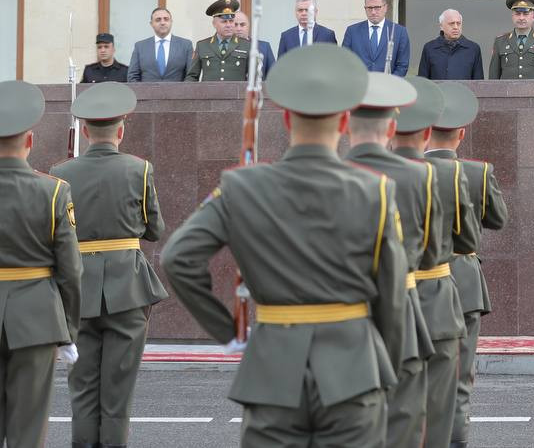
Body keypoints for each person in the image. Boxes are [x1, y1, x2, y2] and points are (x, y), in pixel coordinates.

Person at [162, 44, 407, 445]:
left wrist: (229, 334)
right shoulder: (375, 191)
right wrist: (383, 368)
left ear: (287, 118)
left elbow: (177, 259)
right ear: (345, 121)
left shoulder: (241, 186)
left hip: (272, 368)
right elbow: (393, 298)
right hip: (354, 368)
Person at [51, 82, 166, 448]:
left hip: (78, 291)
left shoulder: (60, 172)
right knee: (117, 393)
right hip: (127, 290)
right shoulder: (140, 168)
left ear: (84, 132)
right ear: (121, 130)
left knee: (82, 390)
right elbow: (154, 229)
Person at [344, 73, 442, 448]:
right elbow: (432, 251)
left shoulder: (332, 173)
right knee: (402, 418)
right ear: (391, 129)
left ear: (346, 125)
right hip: (404, 304)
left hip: (341, 314)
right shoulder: (421, 176)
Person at [393, 77, 480, 448]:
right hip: (438, 296)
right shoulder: (449, 173)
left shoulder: (361, 175)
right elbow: (469, 239)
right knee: (447, 400)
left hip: (383, 302)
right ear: (427, 131)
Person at [0, 80, 81, 448]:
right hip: (36, 319)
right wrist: (69, 329)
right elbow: (70, 270)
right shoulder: (53, 191)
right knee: (28, 430)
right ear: (29, 142)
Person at [429, 82, 509, 448]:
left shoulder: (406, 170)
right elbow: (498, 220)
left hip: (416, 284)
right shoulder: (478, 172)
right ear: (461, 134)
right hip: (462, 282)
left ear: (426, 131)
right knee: (459, 381)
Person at [341, 0, 411, 76]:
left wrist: (390, 83)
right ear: (365, 8)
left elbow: (402, 65)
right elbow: (344, 61)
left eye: (377, 7)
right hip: (359, 86)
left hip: (388, 86)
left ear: (385, 8)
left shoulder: (399, 32)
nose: (373, 12)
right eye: (369, 8)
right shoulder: (352, 31)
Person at [186, 0, 254, 82]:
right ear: (214, 24)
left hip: (236, 94)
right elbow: (192, 77)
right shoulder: (202, 45)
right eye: (224, 22)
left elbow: (254, 78)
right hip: (209, 94)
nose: (229, 25)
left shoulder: (246, 45)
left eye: (231, 21)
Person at [126, 7, 193, 82]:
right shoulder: (140, 46)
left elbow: (191, 76)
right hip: (147, 93)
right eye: (158, 20)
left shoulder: (186, 45)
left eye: (166, 19)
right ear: (151, 24)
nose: (162, 22)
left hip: (177, 93)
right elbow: (132, 76)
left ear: (171, 22)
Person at [418, 9, 485, 80]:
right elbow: (423, 82)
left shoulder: (473, 49)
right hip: (438, 91)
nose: (456, 27)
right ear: (441, 26)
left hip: (463, 91)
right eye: (451, 23)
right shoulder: (429, 48)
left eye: (458, 23)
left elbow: (479, 84)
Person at [234, 10, 275, 79]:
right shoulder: (225, 47)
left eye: (242, 24)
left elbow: (273, 76)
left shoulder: (264, 47)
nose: (239, 29)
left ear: (249, 26)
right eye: (235, 25)